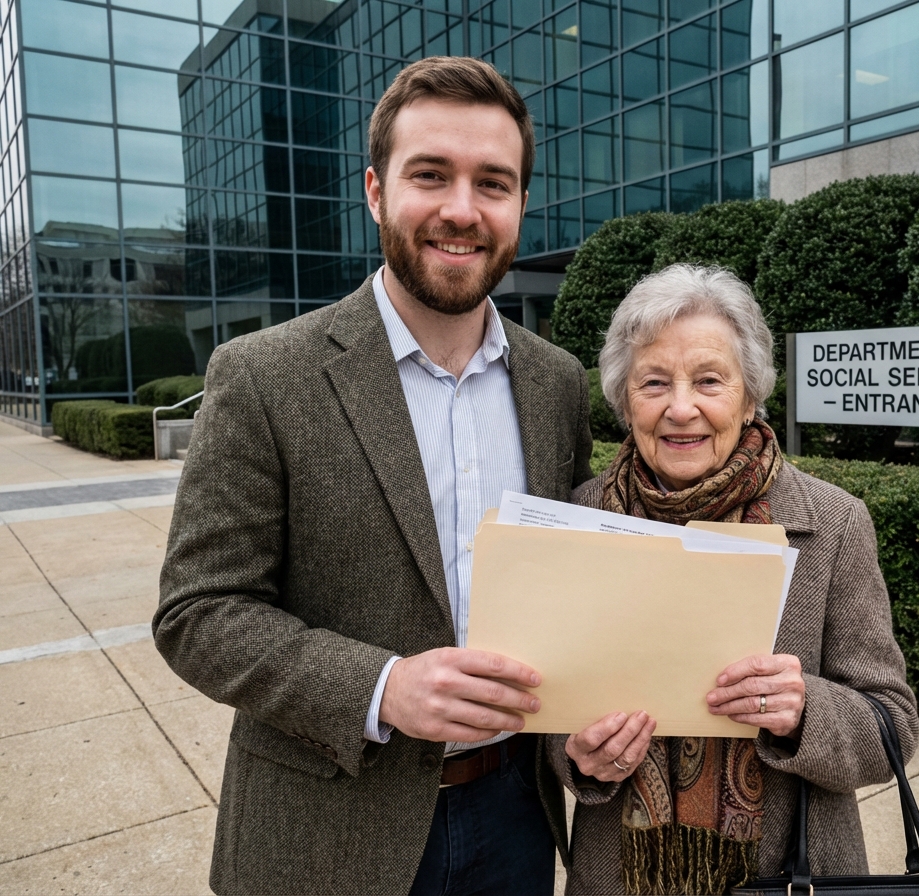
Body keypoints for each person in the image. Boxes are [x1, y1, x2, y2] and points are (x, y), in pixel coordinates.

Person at [153, 56, 592, 895]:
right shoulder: (261, 375)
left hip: (518, 817)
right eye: (431, 174)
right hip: (325, 830)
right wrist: (382, 687)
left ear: (521, 207)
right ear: (376, 191)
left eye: (492, 183)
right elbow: (196, 613)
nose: (461, 210)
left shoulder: (556, 382)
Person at [549, 264, 919, 895]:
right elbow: (546, 700)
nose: (681, 408)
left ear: (750, 397)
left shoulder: (832, 524)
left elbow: (893, 728)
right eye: (654, 382)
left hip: (788, 874)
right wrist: (578, 755)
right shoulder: (580, 518)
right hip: (619, 875)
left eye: (709, 381)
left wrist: (803, 710)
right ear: (623, 400)